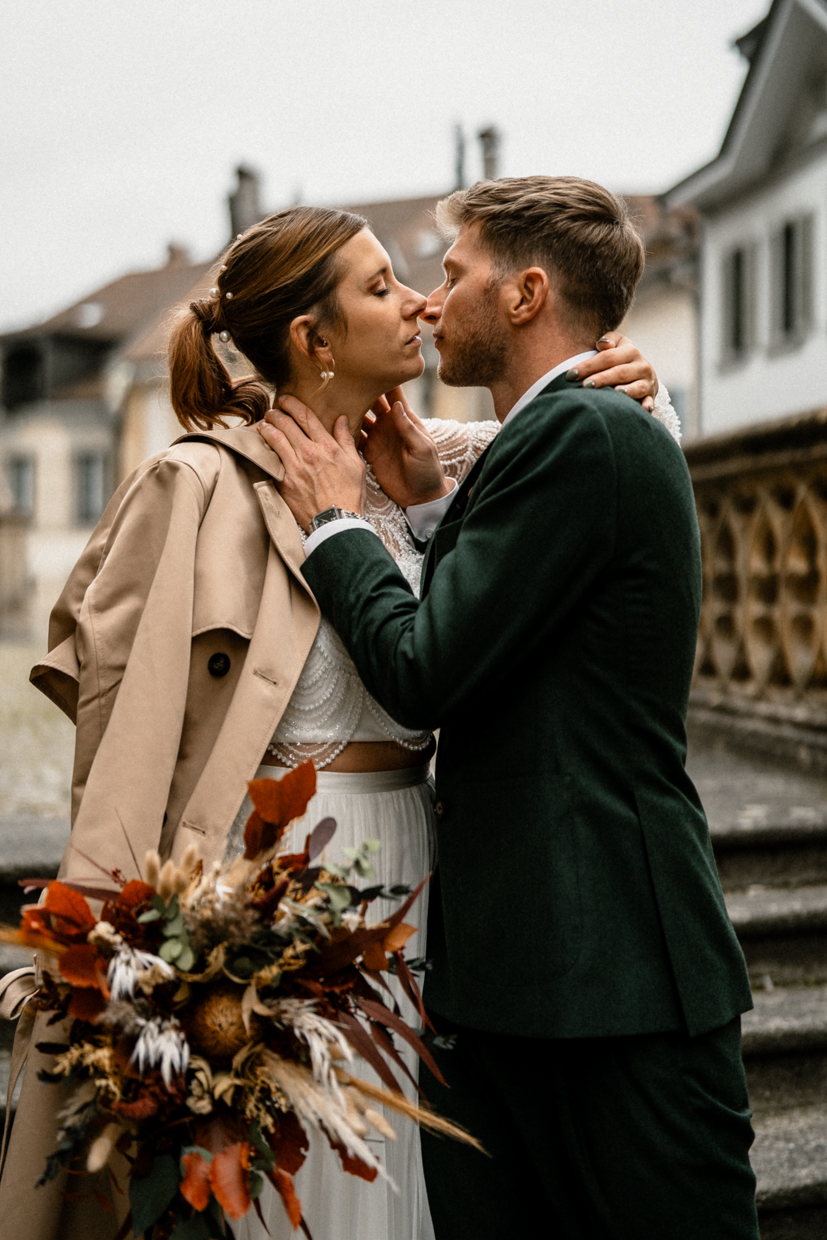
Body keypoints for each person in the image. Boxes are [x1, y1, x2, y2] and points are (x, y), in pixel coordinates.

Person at [0, 203, 666, 1240]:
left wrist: (634, 377)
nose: (421, 303)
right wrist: (112, 944)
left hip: (428, 892)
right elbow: (126, 735)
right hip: (280, 894)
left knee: (416, 1186)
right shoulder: (196, 481)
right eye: (380, 287)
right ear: (312, 339)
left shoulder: (426, 454)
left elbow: (598, 451)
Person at [257, 177, 761, 1240]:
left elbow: (427, 669)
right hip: (524, 975)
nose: (432, 304)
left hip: (609, 975)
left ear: (526, 292)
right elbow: (528, 631)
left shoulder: (582, 431)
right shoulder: (560, 436)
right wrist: (435, 504)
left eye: (450, 275)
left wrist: (342, 527)